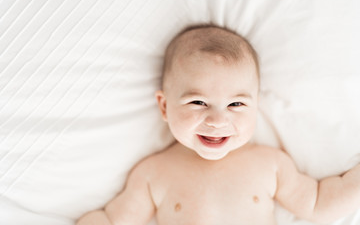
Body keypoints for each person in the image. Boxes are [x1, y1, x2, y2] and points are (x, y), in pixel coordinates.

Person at [76, 24, 360, 225]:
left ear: (256, 105)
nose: (217, 120)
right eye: (198, 102)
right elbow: (112, 220)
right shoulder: (153, 173)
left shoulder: (270, 164)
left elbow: (318, 202)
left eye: (236, 104)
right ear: (165, 106)